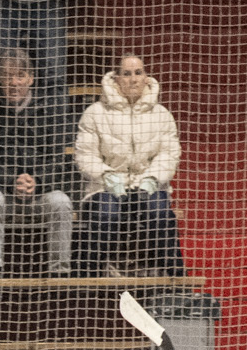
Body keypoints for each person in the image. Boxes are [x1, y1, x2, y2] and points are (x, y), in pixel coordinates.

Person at [0, 49, 77, 282]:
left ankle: (60, 274)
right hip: (3, 193)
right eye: (7, 76)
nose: (13, 83)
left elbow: (58, 160)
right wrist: (11, 181)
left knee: (62, 203)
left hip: (39, 193)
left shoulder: (48, 110)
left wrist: (36, 181)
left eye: (19, 75)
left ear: (31, 78)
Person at [72, 53, 183, 278]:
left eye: (138, 73)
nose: (133, 79)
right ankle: (89, 279)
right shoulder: (95, 113)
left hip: (147, 187)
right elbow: (85, 155)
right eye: (127, 73)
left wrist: (152, 178)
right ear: (116, 79)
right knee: (106, 214)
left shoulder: (162, 115)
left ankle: (175, 279)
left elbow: (169, 153)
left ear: (146, 77)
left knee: (160, 213)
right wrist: (106, 175)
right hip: (104, 188)